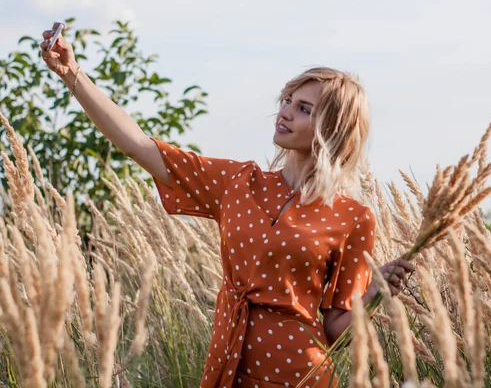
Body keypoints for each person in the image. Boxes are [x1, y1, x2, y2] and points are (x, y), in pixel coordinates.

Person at [40, 22, 414, 388]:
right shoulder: (237, 182)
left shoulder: (353, 218)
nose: (283, 112)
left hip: (299, 376)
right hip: (226, 364)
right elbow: (139, 146)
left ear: (332, 127)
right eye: (286, 101)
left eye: (303, 109)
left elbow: (335, 332)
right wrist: (72, 73)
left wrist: (374, 294)